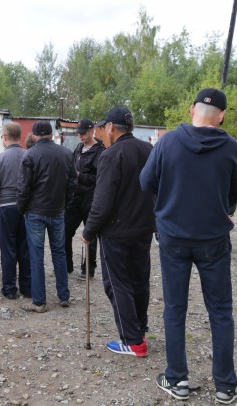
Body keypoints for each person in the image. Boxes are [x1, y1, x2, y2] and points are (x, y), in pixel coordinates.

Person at [140, 88, 237, 404]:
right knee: (221, 311)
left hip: (173, 238)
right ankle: (225, 385)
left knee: (174, 308)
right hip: (213, 240)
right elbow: (233, 196)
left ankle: (177, 379)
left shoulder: (168, 142)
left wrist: (168, 201)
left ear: (191, 110)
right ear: (222, 115)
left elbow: (146, 182)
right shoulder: (230, 148)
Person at [81, 107, 155, 356]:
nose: (102, 133)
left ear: (111, 127)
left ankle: (133, 340)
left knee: (118, 284)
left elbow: (102, 202)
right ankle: (140, 330)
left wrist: (89, 231)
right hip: (143, 228)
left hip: (117, 232)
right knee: (139, 280)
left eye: (103, 128)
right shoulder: (149, 150)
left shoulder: (111, 155)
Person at [17, 120, 77, 313]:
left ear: (34, 136)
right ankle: (64, 296)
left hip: (35, 211)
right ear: (51, 134)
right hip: (57, 210)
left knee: (37, 256)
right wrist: (65, 203)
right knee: (59, 253)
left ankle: (40, 301)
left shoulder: (30, 155)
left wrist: (22, 208)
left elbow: (24, 187)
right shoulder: (66, 153)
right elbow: (72, 183)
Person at [0, 122, 31, 299]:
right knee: (25, 249)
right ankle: (27, 288)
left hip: (5, 209)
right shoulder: (29, 156)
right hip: (25, 209)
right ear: (19, 137)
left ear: (4, 137)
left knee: (8, 249)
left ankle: (10, 289)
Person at [64, 119, 105, 279]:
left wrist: (81, 176)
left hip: (91, 197)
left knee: (90, 234)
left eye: (83, 133)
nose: (80, 136)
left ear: (91, 130)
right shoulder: (79, 148)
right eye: (79, 133)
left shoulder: (101, 152)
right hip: (75, 196)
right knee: (65, 230)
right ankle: (66, 266)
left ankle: (88, 269)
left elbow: (101, 177)